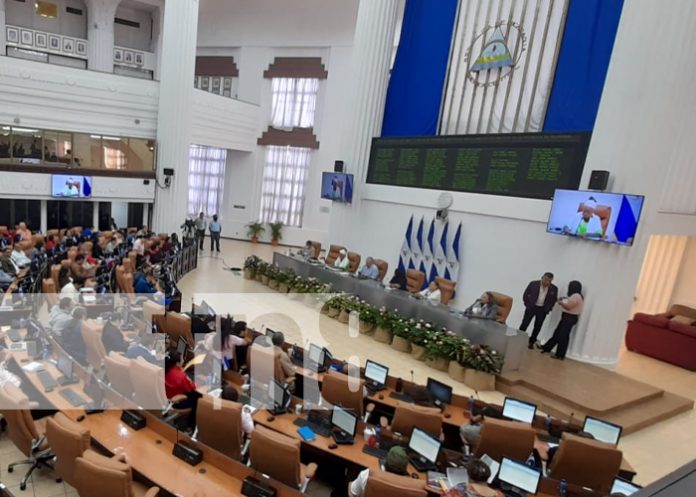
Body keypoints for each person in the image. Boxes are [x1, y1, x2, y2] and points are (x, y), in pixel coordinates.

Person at [541, 281, 584, 360]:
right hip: (569, 318)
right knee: (558, 333)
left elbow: (569, 306)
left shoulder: (576, 296)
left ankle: (560, 355)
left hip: (569, 318)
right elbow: (569, 302)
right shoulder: (576, 296)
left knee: (563, 337)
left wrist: (560, 302)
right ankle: (546, 347)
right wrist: (563, 299)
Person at [520, 272, 559, 349]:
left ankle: (531, 342)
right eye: (545, 279)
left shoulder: (554, 288)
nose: (547, 282)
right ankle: (518, 338)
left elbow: (553, 300)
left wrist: (548, 309)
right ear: (542, 277)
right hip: (531, 307)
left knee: (538, 326)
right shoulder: (533, 284)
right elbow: (526, 294)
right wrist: (527, 304)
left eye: (549, 281)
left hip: (542, 309)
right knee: (525, 323)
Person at [164, 350, 201, 429]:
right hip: (178, 401)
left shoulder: (166, 369)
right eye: (182, 359)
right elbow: (191, 388)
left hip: (167, 396)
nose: (183, 360)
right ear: (177, 363)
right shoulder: (180, 376)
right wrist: (192, 381)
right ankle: (191, 425)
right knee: (198, 397)